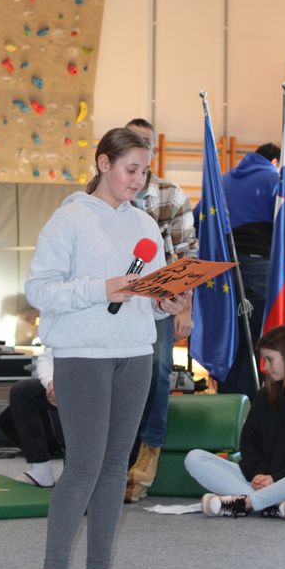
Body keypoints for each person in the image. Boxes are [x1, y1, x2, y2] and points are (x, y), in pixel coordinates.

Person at [25, 127, 189, 569]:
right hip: (83, 355)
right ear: (103, 163)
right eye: (130, 169)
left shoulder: (145, 226)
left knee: (117, 464)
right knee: (84, 465)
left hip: (135, 353)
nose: (138, 180)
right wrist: (102, 289)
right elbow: (39, 290)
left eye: (144, 172)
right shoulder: (68, 220)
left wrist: (165, 303)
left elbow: (148, 298)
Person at [184, 325, 285, 520]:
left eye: (270, 359)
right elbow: (249, 445)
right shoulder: (264, 396)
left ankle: (248, 503)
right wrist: (259, 473)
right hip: (262, 482)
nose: (265, 367)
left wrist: (276, 479)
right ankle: (274, 505)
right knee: (194, 458)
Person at [123, 118, 198, 502]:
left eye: (146, 143)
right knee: (116, 372)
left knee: (157, 367)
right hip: (116, 298)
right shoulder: (105, 191)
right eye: (132, 141)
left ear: (152, 152)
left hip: (160, 300)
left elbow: (186, 257)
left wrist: (184, 308)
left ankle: (149, 447)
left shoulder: (170, 195)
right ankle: (117, 452)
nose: (140, 148)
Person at [195, 142, 280, 399]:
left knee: (230, 334)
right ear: (274, 162)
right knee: (258, 338)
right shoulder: (274, 178)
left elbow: (198, 217)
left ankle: (228, 402)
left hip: (222, 269)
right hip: (259, 264)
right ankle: (253, 404)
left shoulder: (224, 180)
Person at [0, 348, 63, 488]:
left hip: (96, 384)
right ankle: (40, 471)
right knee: (23, 392)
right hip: (65, 381)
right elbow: (46, 357)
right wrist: (51, 383)